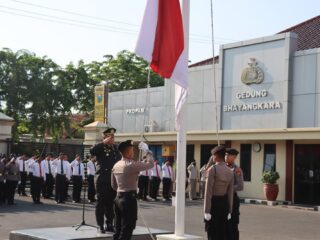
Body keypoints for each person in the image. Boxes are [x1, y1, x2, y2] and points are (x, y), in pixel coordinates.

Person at [111, 140, 154, 240]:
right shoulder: (131, 165)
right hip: (128, 199)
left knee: (118, 229)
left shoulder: (116, 165)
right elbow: (151, 164)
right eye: (132, 151)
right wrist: (147, 151)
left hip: (118, 197)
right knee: (127, 229)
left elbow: (113, 185)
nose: (134, 153)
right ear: (128, 152)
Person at [90, 127, 121, 233]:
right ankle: (100, 225)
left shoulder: (116, 149)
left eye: (113, 137)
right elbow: (92, 151)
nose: (112, 139)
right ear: (105, 137)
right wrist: (103, 143)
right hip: (101, 179)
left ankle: (109, 224)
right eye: (109, 137)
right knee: (101, 203)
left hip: (113, 180)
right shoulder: (100, 147)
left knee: (111, 203)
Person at [204, 145, 234, 240]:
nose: (212, 157)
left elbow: (208, 192)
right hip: (224, 204)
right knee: (222, 233)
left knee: (212, 233)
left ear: (216, 156)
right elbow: (230, 193)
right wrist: (230, 210)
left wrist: (206, 211)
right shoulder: (230, 171)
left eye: (213, 155)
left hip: (214, 204)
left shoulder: (213, 169)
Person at [225, 148, 244, 240]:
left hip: (232, 199)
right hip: (222, 199)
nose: (226, 156)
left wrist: (228, 188)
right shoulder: (222, 167)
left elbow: (240, 186)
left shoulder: (236, 169)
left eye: (228, 155)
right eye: (225, 154)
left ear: (234, 157)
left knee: (232, 224)